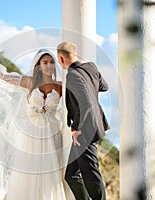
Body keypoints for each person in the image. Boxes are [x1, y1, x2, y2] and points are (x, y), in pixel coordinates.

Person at [0, 49, 74, 200]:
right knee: (30, 169)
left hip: (52, 131)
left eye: (51, 62)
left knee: (51, 170)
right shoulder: (30, 82)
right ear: (39, 65)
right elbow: (4, 77)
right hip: (32, 132)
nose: (48, 65)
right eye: (45, 62)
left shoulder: (61, 85)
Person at [56, 41, 110, 200]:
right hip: (95, 125)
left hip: (85, 130)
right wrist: (90, 82)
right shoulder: (91, 68)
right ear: (76, 53)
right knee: (71, 175)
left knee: (91, 174)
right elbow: (104, 86)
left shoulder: (72, 75)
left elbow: (85, 102)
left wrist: (76, 129)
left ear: (60, 58)